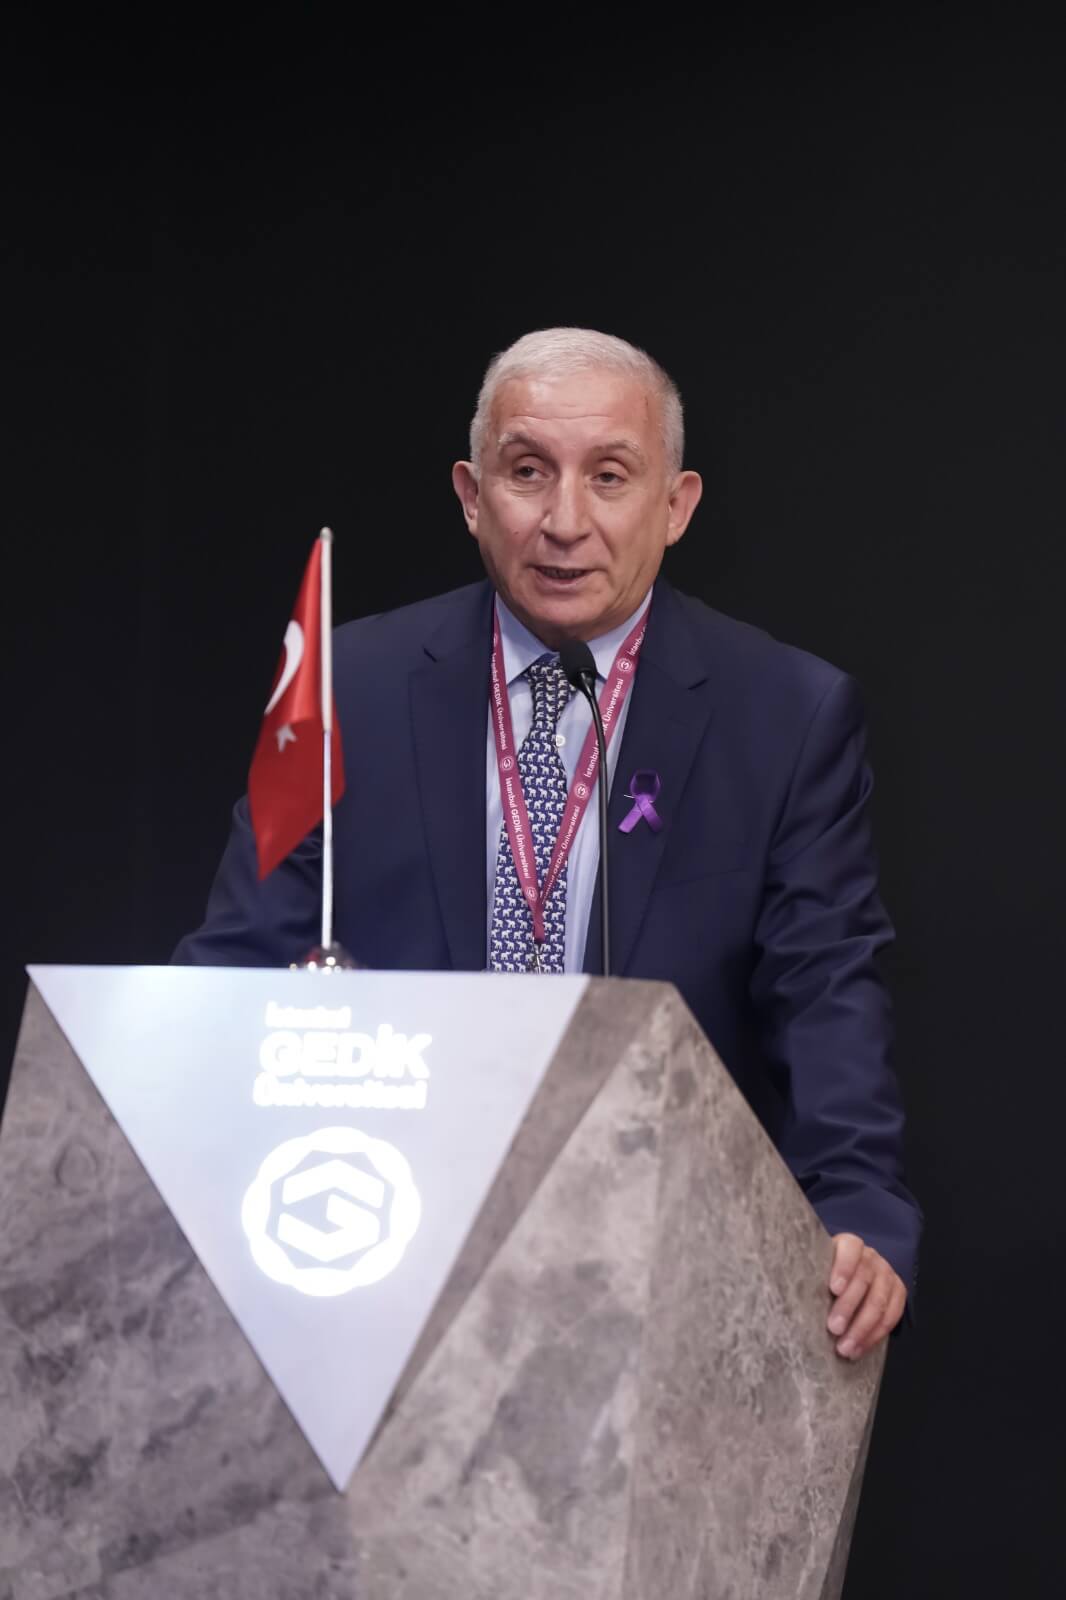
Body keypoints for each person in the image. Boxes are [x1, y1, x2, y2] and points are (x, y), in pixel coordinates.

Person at [175, 327, 921, 1360]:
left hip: (657, 1254)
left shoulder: (784, 714)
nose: (565, 521)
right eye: (528, 472)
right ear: (472, 496)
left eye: (609, 476)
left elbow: (823, 986)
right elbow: (236, 963)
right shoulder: (349, 688)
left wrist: (855, 1203)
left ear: (675, 506)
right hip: (378, 1242)